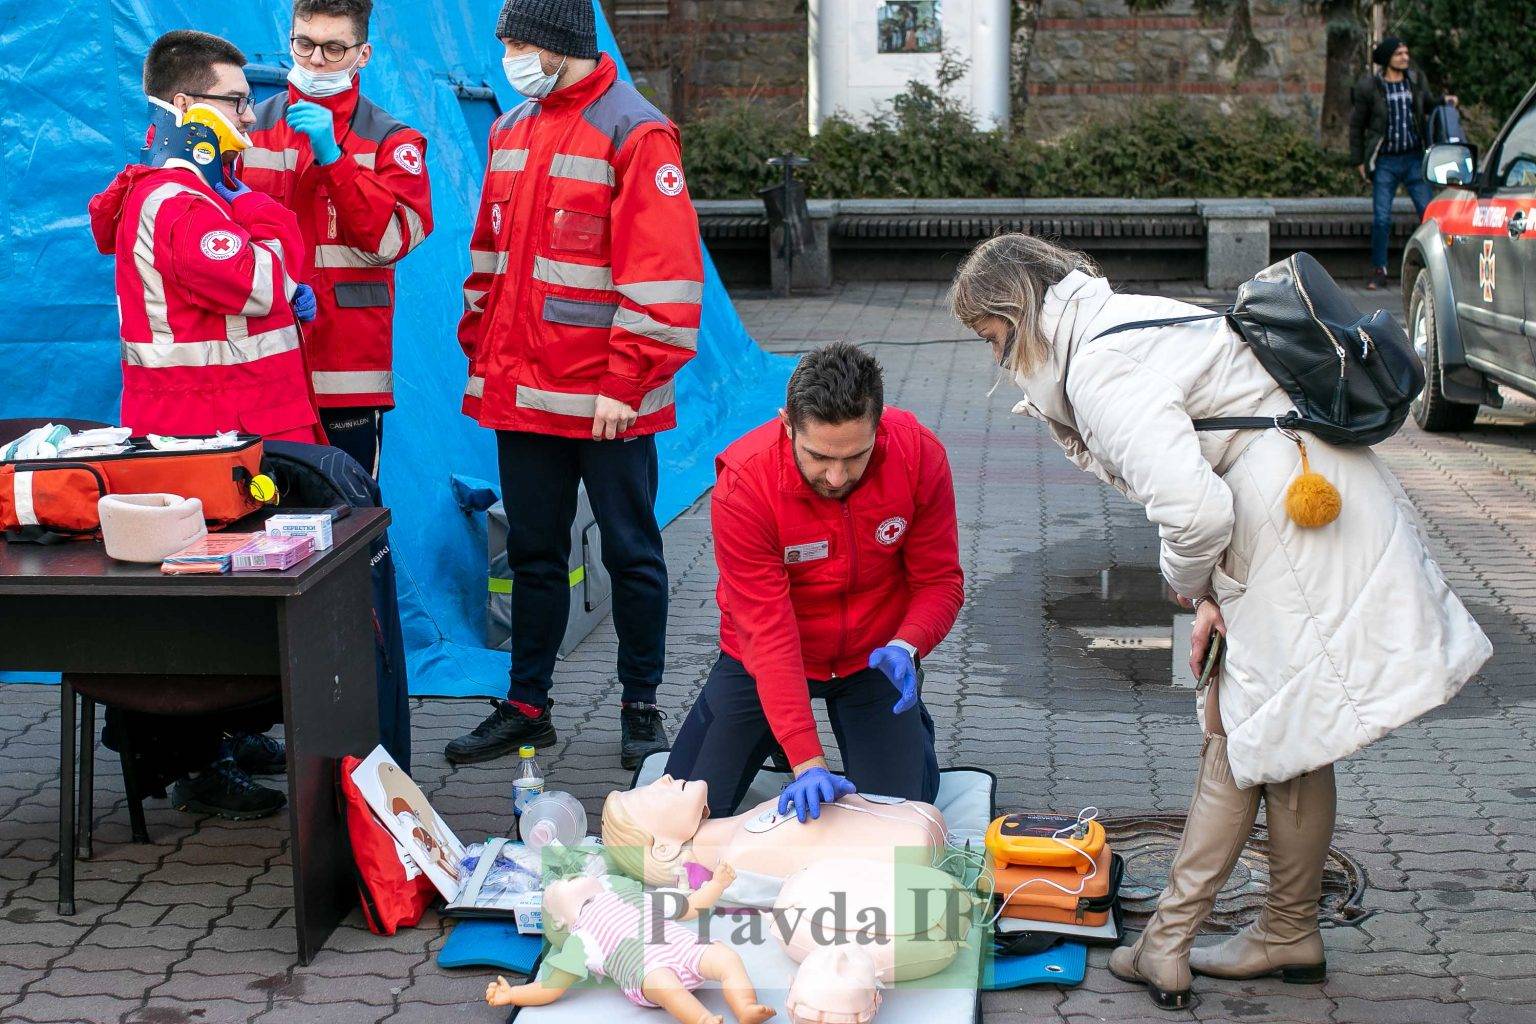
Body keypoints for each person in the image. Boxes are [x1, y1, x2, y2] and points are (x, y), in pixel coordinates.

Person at [950, 233, 1491, 1010]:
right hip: (1306, 500)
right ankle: (1286, 930)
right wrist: (1210, 592)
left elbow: (1197, 511)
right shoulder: (1112, 322)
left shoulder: (1099, 365)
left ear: (1014, 309)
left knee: (1237, 734)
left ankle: (1171, 942)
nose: (994, 356)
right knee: (1290, 733)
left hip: (1285, 518)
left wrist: (1187, 586)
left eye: (991, 337)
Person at [447, 0, 703, 770]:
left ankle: (641, 707)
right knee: (531, 554)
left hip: (607, 400)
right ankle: (528, 708)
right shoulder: (510, 129)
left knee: (631, 552)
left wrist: (624, 384)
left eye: (521, 42)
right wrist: (483, 352)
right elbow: (488, 260)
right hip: (523, 393)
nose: (511, 57)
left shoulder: (636, 130)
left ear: (561, 44)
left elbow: (661, 277)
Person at [87, 30, 323, 818]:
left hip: (226, 430)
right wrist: (263, 217)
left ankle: (227, 733)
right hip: (198, 438)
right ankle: (194, 760)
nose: (249, 119)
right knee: (210, 613)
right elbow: (260, 279)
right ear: (185, 107)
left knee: (240, 603)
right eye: (234, 102)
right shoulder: (177, 201)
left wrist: (253, 215)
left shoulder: (195, 196)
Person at [665, 343, 964, 821]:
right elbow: (767, 632)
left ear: (879, 422)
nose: (836, 475)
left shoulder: (918, 453)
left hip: (873, 658)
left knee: (900, 813)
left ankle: (903, 731)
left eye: (856, 456)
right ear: (788, 424)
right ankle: (783, 737)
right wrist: (808, 759)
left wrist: (908, 645)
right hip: (765, 657)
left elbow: (940, 581)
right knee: (684, 808)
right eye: (819, 456)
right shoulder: (746, 483)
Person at [244, 0, 434, 479]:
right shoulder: (250, 132)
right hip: (262, 360)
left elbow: (390, 241)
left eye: (334, 49)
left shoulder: (395, 142)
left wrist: (335, 160)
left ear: (363, 54)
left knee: (350, 518)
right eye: (304, 45)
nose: (315, 61)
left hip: (346, 372)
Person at [1349, 36, 1457, 290]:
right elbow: (1357, 126)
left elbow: (1428, 105)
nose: (1405, 58)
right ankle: (1379, 270)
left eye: (1406, 53)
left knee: (1429, 213)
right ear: (1387, 58)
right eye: (1399, 54)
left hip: (1413, 158)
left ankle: (1436, 267)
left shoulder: (1415, 80)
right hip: (1385, 160)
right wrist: (1358, 161)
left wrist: (1445, 101)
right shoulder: (1370, 87)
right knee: (1381, 218)